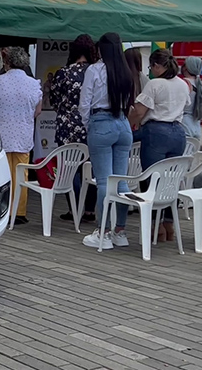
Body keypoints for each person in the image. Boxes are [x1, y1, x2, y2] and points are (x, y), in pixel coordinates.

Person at [79, 32, 134, 250]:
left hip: (101, 122)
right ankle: (120, 231)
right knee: (121, 181)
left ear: (102, 49)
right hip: (123, 123)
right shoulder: (126, 71)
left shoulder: (94, 70)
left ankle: (103, 232)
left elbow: (84, 103)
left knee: (103, 181)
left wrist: (89, 124)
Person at [129, 48, 190, 242]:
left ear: (156, 66)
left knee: (152, 180)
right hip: (178, 133)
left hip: (156, 132)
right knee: (171, 180)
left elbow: (139, 112)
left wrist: (128, 123)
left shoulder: (154, 84)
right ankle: (169, 224)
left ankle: (156, 226)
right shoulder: (182, 84)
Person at [0, 46, 42, 225]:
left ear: (7, 62)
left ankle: (3, 209)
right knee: (21, 174)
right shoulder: (34, 84)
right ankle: (19, 212)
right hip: (22, 135)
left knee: (2, 174)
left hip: (1, 135)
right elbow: (37, 111)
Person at [50, 34, 98, 223]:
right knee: (91, 168)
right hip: (91, 125)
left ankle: (74, 209)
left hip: (67, 126)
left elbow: (54, 100)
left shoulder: (63, 73)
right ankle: (90, 210)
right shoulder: (95, 72)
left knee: (70, 169)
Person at [180, 56, 202, 141]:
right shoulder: (200, 84)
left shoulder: (183, 83)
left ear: (186, 67)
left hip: (184, 124)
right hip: (196, 125)